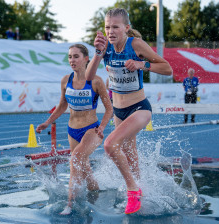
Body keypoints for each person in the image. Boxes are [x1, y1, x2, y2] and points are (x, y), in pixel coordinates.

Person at [85, 8, 172, 214]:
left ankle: (133, 190)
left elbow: (167, 68)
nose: (111, 31)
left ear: (126, 28)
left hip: (139, 108)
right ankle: (143, 193)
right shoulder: (105, 47)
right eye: (107, 27)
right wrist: (98, 53)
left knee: (109, 145)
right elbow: (88, 78)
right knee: (131, 159)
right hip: (118, 111)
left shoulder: (136, 45)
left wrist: (142, 64)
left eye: (115, 26)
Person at [36, 44, 113, 215]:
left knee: (75, 159)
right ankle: (95, 194)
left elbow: (109, 109)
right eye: (70, 57)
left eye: (76, 56)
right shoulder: (66, 80)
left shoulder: (96, 81)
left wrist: (101, 127)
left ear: (86, 59)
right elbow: (62, 105)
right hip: (72, 130)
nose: (72, 60)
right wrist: (48, 122)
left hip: (92, 130)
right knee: (84, 168)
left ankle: (70, 204)